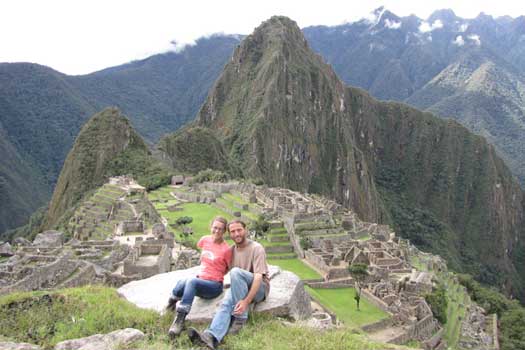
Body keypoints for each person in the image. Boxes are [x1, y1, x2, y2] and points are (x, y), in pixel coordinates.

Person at [188, 220, 270, 349]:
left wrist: (246, 302)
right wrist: (206, 276)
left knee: (236, 272)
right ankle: (211, 337)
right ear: (229, 234)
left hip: (259, 289)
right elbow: (222, 268)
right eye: (233, 231)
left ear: (245, 230)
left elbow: (258, 277)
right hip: (240, 287)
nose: (236, 234)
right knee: (226, 303)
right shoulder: (231, 250)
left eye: (239, 230)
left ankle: (240, 318)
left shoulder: (256, 248)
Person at [167, 216, 232, 338]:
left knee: (191, 282)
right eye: (215, 228)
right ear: (211, 227)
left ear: (224, 231)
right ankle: (171, 302)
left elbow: (229, 267)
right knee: (182, 282)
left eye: (220, 229)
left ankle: (180, 320)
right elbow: (203, 256)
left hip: (214, 286)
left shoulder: (226, 249)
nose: (217, 231)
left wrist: (216, 274)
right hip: (201, 279)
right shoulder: (204, 240)